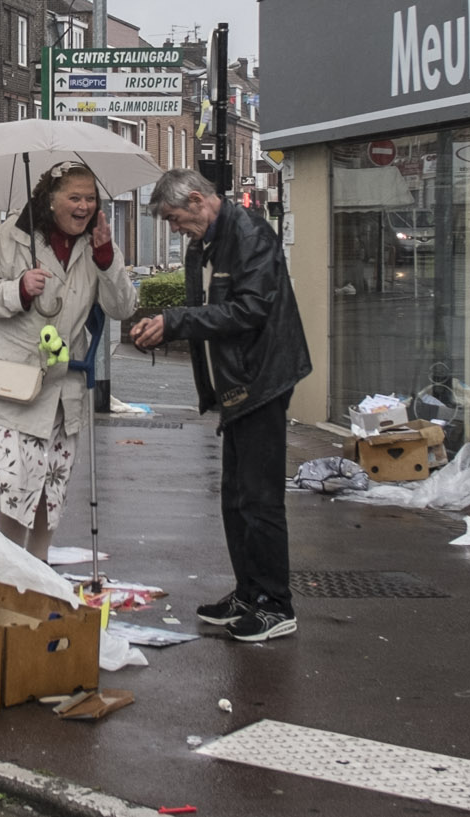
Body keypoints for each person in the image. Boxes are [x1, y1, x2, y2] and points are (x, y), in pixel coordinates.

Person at [130, 168, 311, 642]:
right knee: (236, 495)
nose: (174, 229)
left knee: (259, 497)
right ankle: (249, 592)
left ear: (197, 200)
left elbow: (251, 309)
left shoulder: (249, 234)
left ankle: (275, 602)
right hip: (240, 384)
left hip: (262, 380)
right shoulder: (210, 241)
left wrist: (175, 322)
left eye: (174, 218)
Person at [0, 161, 137, 560]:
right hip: (13, 383)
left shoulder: (98, 244)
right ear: (51, 199)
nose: (83, 206)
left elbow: (124, 307)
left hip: (62, 385)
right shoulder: (14, 236)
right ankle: (11, 564)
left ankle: (37, 564)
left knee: (50, 483)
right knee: (17, 480)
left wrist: (107, 258)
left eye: (90, 198)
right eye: (74, 197)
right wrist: (18, 290)